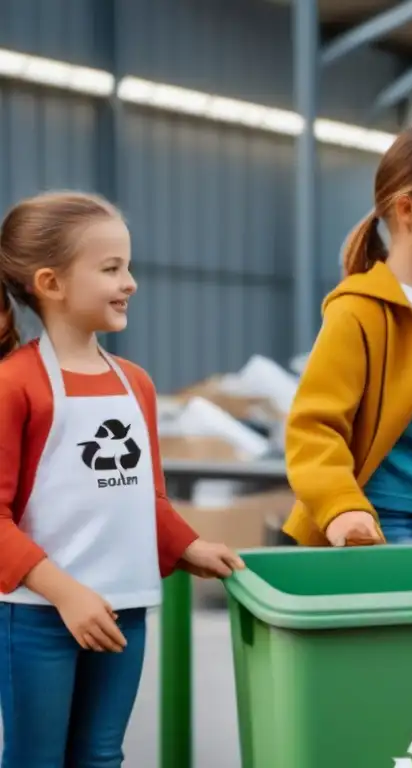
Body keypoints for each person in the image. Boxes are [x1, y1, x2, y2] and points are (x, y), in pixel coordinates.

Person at [0, 191, 245, 767]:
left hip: (123, 606)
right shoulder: (15, 384)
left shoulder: (135, 383)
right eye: (111, 269)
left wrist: (188, 545)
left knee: (102, 754)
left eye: (127, 266)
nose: (129, 281)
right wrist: (66, 595)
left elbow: (143, 498)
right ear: (50, 283)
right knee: (37, 758)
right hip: (38, 614)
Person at [283, 126, 412, 547]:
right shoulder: (358, 311)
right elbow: (314, 427)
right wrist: (342, 508)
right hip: (385, 520)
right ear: (407, 210)